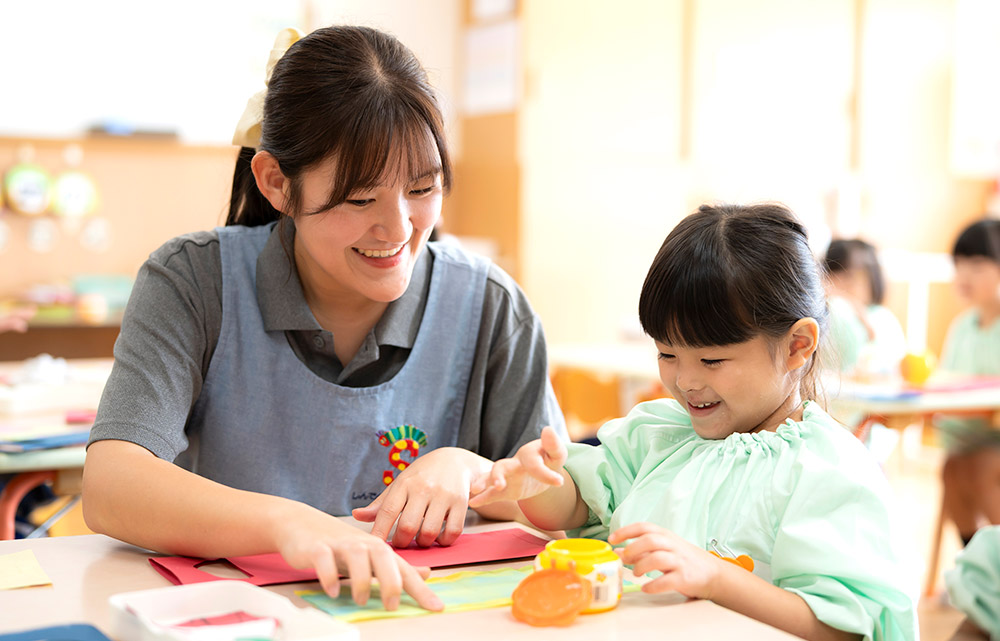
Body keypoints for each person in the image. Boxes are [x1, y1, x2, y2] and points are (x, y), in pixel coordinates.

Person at [81, 25, 565, 612]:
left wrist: (472, 470)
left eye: (423, 187)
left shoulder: (490, 303)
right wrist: (291, 525)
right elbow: (111, 485)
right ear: (277, 183)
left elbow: (562, 496)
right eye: (360, 199)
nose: (399, 228)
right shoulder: (193, 281)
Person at [470, 204, 917, 641]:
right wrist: (539, 485)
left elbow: (840, 627)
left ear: (797, 346)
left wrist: (717, 578)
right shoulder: (659, 435)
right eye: (667, 353)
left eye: (711, 360)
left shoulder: (828, 469)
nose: (684, 381)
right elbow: (579, 507)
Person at [937, 219, 1000, 546]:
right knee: (952, 469)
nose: (963, 275)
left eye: (976, 265)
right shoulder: (962, 326)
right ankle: (979, 563)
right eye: (958, 264)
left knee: (980, 468)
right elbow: (946, 384)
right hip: (969, 439)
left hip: (993, 442)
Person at [822, 239, 905, 379]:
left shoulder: (882, 316)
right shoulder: (834, 308)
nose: (849, 283)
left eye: (852, 276)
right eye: (846, 276)